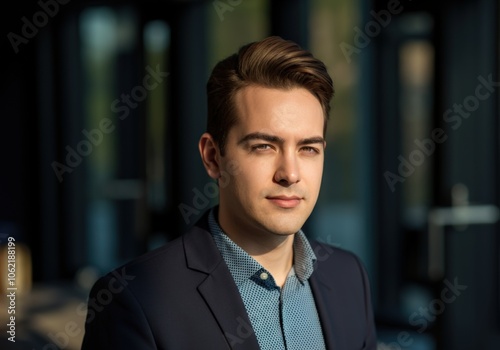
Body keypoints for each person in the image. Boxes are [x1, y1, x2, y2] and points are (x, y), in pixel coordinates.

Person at [81, 36, 377, 350]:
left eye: (308, 149)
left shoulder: (349, 276)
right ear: (212, 157)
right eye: (264, 146)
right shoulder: (135, 299)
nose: (290, 174)